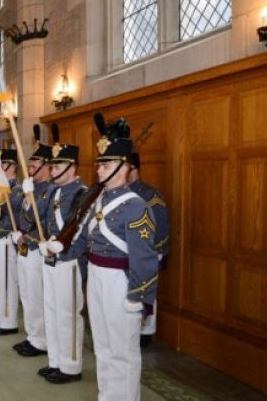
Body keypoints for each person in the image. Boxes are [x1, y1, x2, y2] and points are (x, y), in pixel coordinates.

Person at [63, 114, 159, 400]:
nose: (99, 170)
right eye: (99, 164)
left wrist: (138, 295)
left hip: (120, 281)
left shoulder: (135, 206)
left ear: (123, 166)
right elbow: (86, 236)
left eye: (104, 164)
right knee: (103, 346)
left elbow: (145, 258)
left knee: (123, 352)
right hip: (96, 276)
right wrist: (62, 250)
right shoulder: (100, 199)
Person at [37, 124, 88, 384]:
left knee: (68, 313)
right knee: (52, 309)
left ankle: (71, 366)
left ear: (71, 167)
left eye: (57, 167)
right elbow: (45, 220)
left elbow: (82, 231)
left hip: (69, 263)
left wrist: (63, 247)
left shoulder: (83, 194)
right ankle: (55, 360)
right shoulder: (55, 191)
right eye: (53, 167)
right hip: (50, 258)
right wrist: (45, 242)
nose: (52, 171)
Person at [11, 125, 54, 357]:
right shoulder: (33, 188)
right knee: (26, 294)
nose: (30, 170)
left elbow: (45, 223)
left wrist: (30, 197)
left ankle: (41, 340)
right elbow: (23, 215)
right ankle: (32, 335)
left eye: (34, 167)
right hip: (25, 247)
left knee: (37, 295)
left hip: (38, 249)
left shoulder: (50, 191)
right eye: (29, 166)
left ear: (47, 168)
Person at [128, 152, 169, 348]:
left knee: (144, 294)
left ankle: (145, 332)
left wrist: (157, 255)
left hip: (144, 255)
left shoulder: (150, 196)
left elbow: (160, 227)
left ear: (134, 169)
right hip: (123, 257)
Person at [0, 149, 24, 336]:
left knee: (8, 282)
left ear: (13, 167)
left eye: (3, 164)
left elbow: (14, 218)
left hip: (8, 240)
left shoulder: (17, 190)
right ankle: (1, 318)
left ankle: (9, 322)